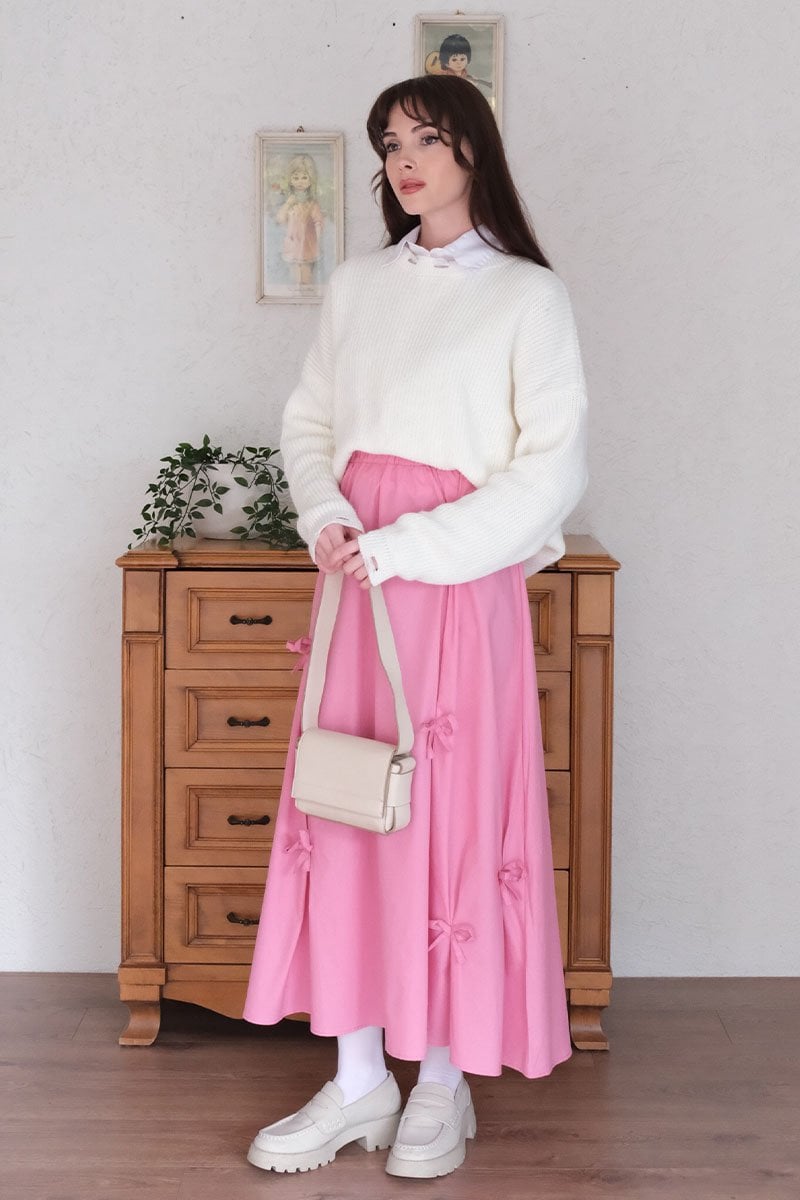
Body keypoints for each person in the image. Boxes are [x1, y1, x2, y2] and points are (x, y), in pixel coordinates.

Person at [242, 73, 589, 1179]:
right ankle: (357, 1081)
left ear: (472, 149)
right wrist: (327, 516)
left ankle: (440, 1079)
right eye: (389, 143)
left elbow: (550, 473)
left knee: (446, 814)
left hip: (452, 581)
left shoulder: (528, 296)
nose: (403, 160)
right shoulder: (356, 288)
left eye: (426, 139)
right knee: (347, 802)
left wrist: (407, 546)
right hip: (353, 578)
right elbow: (309, 422)